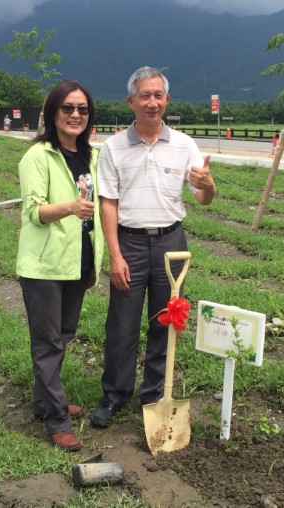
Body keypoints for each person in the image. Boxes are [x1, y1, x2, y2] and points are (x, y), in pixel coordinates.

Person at [91, 66, 215, 428]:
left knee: (167, 320)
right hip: (128, 242)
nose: (152, 102)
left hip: (171, 243)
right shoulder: (113, 148)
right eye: (144, 95)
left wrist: (208, 184)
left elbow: (203, 197)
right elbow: (108, 203)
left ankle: (155, 394)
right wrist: (114, 255)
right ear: (131, 101)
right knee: (122, 323)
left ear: (166, 100)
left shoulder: (184, 145)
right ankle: (114, 394)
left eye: (158, 95)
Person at [16, 80, 104, 450]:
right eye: (67, 108)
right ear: (54, 113)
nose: (75, 115)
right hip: (44, 267)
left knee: (62, 337)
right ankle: (56, 418)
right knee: (48, 343)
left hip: (77, 262)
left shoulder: (91, 156)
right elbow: (34, 212)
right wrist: (69, 206)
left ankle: (43, 402)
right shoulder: (37, 156)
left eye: (82, 109)